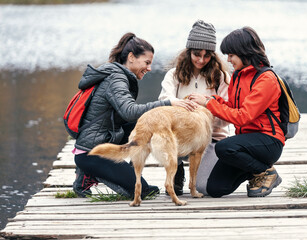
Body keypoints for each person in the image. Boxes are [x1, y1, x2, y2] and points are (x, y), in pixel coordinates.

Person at [72, 32, 196, 198]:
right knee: (144, 191)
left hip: (100, 143)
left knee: (148, 128)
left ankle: (123, 172)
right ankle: (88, 174)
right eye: (147, 62)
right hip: (92, 152)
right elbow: (129, 111)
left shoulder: (118, 75)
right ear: (131, 57)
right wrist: (168, 103)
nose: (150, 68)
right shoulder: (115, 79)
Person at [189, 26, 284, 198]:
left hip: (268, 141)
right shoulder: (238, 76)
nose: (228, 59)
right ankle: (254, 171)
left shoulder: (266, 79)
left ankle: (265, 171)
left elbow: (243, 117)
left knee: (224, 147)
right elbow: (232, 108)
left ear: (244, 52)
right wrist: (211, 100)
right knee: (213, 188)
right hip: (245, 145)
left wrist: (209, 103)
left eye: (231, 55)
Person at [158, 20, 230, 196]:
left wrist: (206, 105)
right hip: (180, 136)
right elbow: (163, 102)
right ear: (189, 51)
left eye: (207, 56)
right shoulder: (173, 75)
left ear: (212, 56)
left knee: (203, 187)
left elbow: (227, 116)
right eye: (197, 54)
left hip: (213, 139)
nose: (201, 60)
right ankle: (177, 169)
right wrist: (183, 105)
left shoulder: (222, 77)